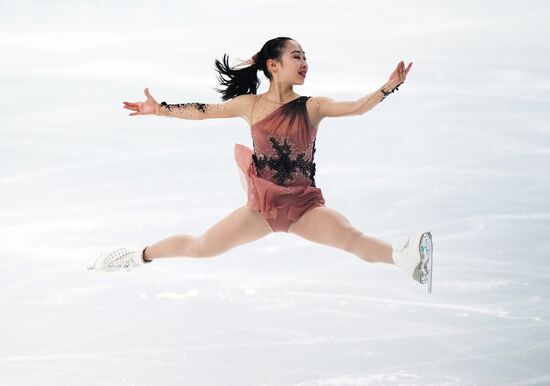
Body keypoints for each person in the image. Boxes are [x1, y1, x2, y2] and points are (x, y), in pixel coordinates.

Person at [87, 37, 433, 293]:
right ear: (273, 64)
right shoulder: (250, 105)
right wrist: (160, 108)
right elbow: (204, 112)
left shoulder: (312, 106)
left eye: (306, 57)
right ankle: (137, 255)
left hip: (303, 208)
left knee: (353, 240)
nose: (304, 62)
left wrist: (388, 88)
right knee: (201, 247)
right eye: (297, 56)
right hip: (261, 208)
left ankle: (404, 258)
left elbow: (356, 107)